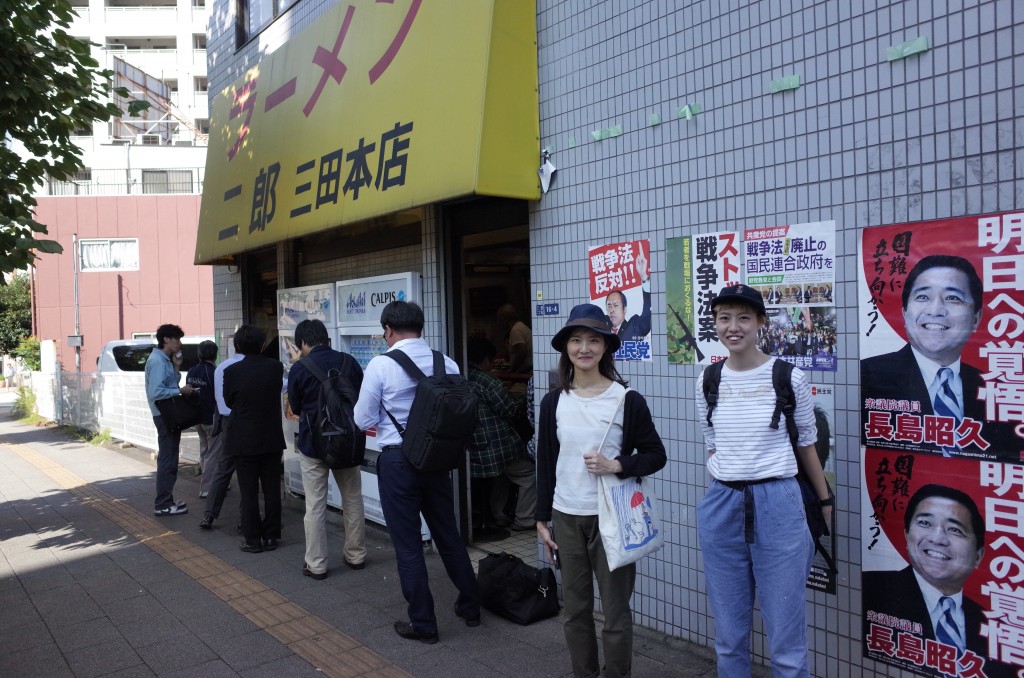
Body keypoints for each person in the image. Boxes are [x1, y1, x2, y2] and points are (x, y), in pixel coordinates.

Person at [694, 284, 831, 677]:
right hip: (722, 503)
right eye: (724, 318)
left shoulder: (789, 377)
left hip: (779, 501)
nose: (732, 327)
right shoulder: (708, 380)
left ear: (759, 323)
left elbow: (807, 445)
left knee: (786, 638)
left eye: (743, 318)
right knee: (729, 635)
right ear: (715, 324)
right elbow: (712, 444)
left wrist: (823, 502)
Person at [535, 303, 666, 678]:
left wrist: (617, 465)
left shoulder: (626, 400)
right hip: (567, 516)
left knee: (615, 612)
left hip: (613, 519)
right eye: (576, 340)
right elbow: (546, 463)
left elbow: (657, 455)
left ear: (606, 347)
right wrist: (541, 519)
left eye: (594, 340)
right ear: (566, 348)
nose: (584, 348)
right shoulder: (553, 402)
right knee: (574, 610)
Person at [353, 301, 480, 644]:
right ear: (420, 328)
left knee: (408, 545)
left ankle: (424, 624)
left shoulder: (381, 365)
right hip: (437, 460)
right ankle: (471, 605)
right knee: (448, 534)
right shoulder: (446, 361)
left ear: (389, 330)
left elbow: (362, 419)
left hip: (398, 463)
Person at [861, 254, 1021, 457]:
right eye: (922, 297)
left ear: (976, 318)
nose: (935, 310)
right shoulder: (866, 376)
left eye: (953, 298)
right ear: (904, 313)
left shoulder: (1000, 392)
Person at [862, 484, 1011, 677]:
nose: (937, 538)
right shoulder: (869, 589)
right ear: (907, 535)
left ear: (978, 556)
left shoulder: (996, 625)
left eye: (955, 530)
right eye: (925, 523)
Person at [287, 318, 367, 580]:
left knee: (316, 504)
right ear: (325, 337)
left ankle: (317, 564)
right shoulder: (349, 362)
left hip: (314, 445)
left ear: (302, 343)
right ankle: (356, 555)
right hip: (348, 442)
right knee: (352, 498)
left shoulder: (300, 369)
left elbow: (296, 409)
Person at [222, 325, 286, 553]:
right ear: (262, 345)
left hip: (243, 439)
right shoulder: (275, 367)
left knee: (248, 491)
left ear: (237, 346)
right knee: (272, 489)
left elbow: (229, 401)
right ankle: (271, 536)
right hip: (271, 437)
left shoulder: (231, 372)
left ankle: (252, 539)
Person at [466, 337, 536, 533]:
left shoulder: (463, 375)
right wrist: (521, 398)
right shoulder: (488, 380)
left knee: (502, 476)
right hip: (495, 448)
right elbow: (508, 409)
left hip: (476, 447)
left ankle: (499, 515)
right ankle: (524, 518)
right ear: (486, 359)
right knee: (530, 473)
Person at [145, 323, 197, 516]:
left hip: (165, 414)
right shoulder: (158, 361)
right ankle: (163, 504)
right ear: (166, 339)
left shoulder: (164, 359)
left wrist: (176, 368)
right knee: (168, 457)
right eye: (176, 339)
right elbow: (156, 392)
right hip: (164, 414)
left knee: (169, 456)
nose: (179, 343)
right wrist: (180, 391)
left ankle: (166, 501)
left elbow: (170, 383)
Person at [198, 343, 243, 530]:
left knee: (223, 469)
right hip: (246, 424)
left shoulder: (222, 367)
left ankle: (208, 515)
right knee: (246, 474)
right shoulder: (258, 366)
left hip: (227, 424)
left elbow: (220, 402)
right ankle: (244, 519)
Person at [186, 340, 223, 499]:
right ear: (215, 355)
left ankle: (212, 483)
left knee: (204, 450)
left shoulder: (192, 371)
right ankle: (207, 487)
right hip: (211, 418)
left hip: (196, 417)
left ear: (199, 354)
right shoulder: (214, 372)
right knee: (213, 454)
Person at [603, 248, 651, 342]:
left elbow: (647, 316)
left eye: (616, 305)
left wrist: (643, 277)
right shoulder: (602, 328)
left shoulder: (634, 327)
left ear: (624, 309)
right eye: (609, 306)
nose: (612, 310)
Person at [496, 304, 532, 373]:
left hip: (524, 372)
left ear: (505, 318)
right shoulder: (521, 327)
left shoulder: (515, 330)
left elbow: (521, 351)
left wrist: (512, 369)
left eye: (500, 320)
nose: (499, 324)